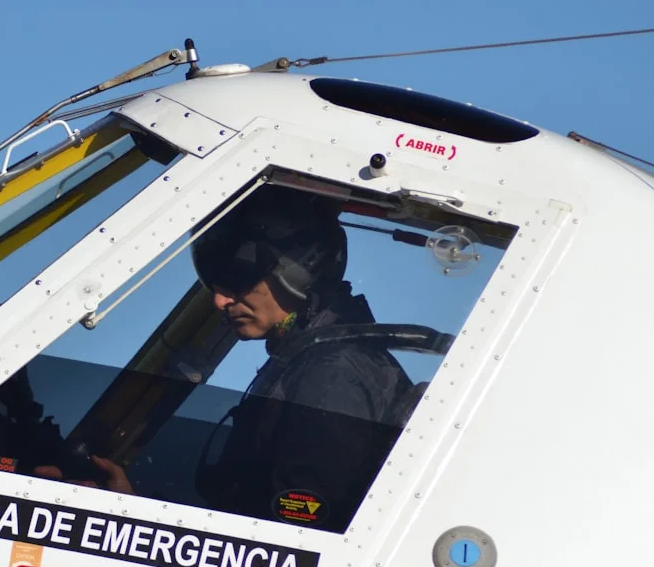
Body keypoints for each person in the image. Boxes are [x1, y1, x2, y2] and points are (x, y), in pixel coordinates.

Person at [42, 184, 416, 529]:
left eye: (237, 282)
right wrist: (132, 508)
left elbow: (291, 544)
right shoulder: (308, 360)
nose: (219, 301)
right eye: (215, 286)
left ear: (302, 270)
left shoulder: (332, 374)